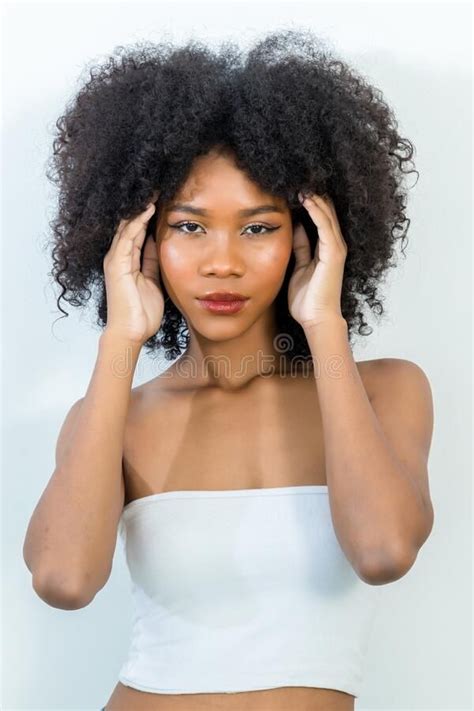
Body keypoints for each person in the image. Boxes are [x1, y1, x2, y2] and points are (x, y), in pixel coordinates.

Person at [23, 28, 435, 711]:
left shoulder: (386, 390)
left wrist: (324, 326)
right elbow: (64, 578)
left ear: (310, 236)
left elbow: (384, 549)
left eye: (257, 227)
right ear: (141, 243)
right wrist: (120, 341)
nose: (223, 262)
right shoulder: (113, 419)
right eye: (189, 226)